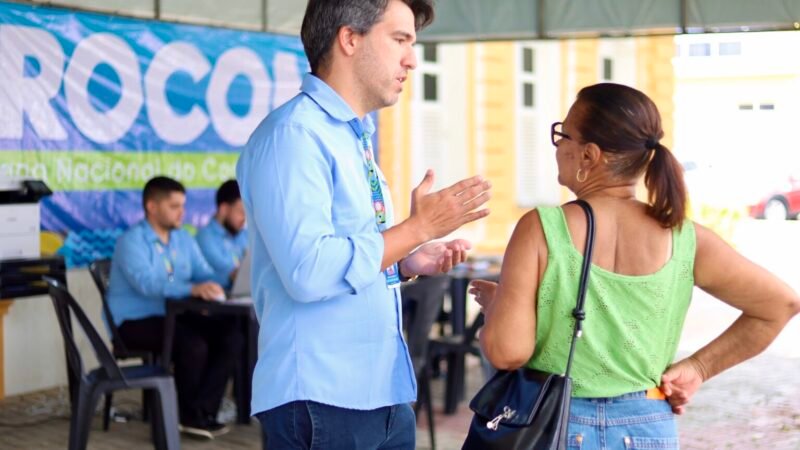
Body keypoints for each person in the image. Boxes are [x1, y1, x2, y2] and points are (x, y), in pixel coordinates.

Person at [470, 83, 800, 449]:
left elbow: (507, 352)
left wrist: (499, 306)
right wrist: (698, 368)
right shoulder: (684, 238)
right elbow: (779, 304)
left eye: (564, 135)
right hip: (649, 427)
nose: (558, 146)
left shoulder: (541, 229)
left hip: (555, 426)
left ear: (589, 155)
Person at [236, 0, 492, 448]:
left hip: (380, 391)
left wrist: (404, 261)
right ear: (349, 38)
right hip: (321, 398)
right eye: (400, 40)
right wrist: (416, 229)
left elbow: (348, 255)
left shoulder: (351, 134)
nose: (412, 60)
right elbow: (309, 270)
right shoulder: (294, 135)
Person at [106, 176, 243, 439]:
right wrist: (191, 289)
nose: (182, 212)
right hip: (133, 323)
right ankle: (187, 416)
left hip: (173, 317)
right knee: (192, 343)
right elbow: (147, 283)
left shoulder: (183, 239)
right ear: (151, 207)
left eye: (183, 205)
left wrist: (225, 280)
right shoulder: (131, 241)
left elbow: (204, 272)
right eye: (174, 206)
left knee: (231, 336)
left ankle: (204, 412)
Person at [196, 179, 248, 290]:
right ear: (224, 209)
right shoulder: (205, 238)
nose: (245, 219)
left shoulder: (245, 235)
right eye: (242, 212)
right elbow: (226, 271)